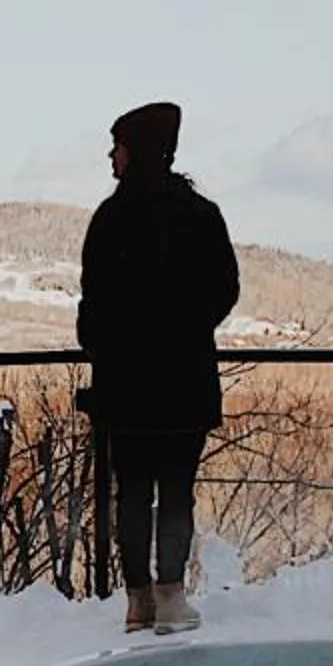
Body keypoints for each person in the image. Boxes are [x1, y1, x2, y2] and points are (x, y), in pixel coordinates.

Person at [78, 101, 239, 632]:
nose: (110, 156)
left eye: (117, 145)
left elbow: (93, 303)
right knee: (175, 489)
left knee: (132, 490)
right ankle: (171, 597)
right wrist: (188, 332)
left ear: (134, 150)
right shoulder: (201, 215)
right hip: (185, 379)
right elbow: (225, 290)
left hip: (124, 383)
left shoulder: (109, 219)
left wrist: (107, 346)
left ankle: (137, 599)